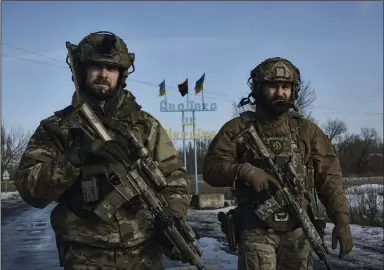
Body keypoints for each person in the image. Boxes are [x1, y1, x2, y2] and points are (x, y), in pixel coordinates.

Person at [14, 31, 190, 270]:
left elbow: (175, 178)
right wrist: (74, 159)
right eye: (96, 66)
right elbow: (29, 189)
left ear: (122, 74)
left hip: (144, 253)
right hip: (85, 255)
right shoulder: (57, 127)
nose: (103, 74)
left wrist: (174, 214)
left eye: (112, 68)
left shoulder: (146, 126)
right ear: (81, 69)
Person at [203, 57, 353, 270]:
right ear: (258, 88)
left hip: (298, 231)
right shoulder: (238, 128)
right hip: (256, 231)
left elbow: (330, 178)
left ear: (293, 91)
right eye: (273, 86)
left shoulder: (307, 131)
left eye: (286, 87)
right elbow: (211, 168)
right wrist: (243, 171)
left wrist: (342, 221)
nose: (280, 92)